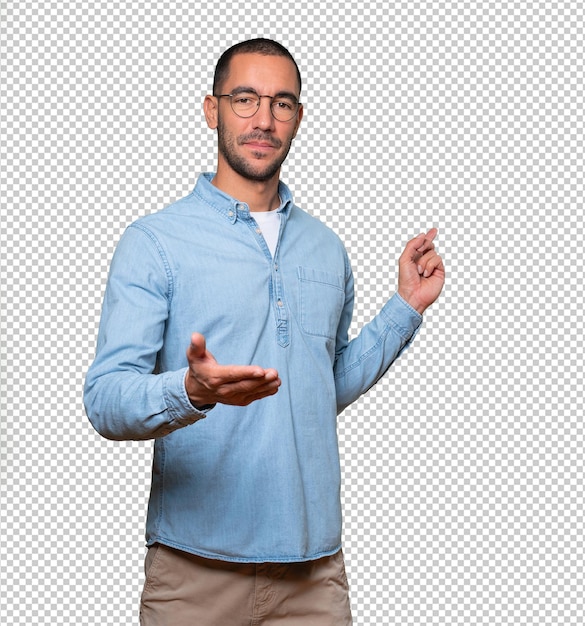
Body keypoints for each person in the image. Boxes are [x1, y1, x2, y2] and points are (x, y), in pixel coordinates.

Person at [84, 38, 444, 626]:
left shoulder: (326, 246)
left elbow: (320, 388)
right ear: (212, 110)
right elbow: (104, 400)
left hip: (314, 577)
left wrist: (406, 307)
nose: (263, 119)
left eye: (282, 103)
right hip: (194, 577)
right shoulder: (154, 242)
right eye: (245, 98)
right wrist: (192, 391)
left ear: (299, 117)